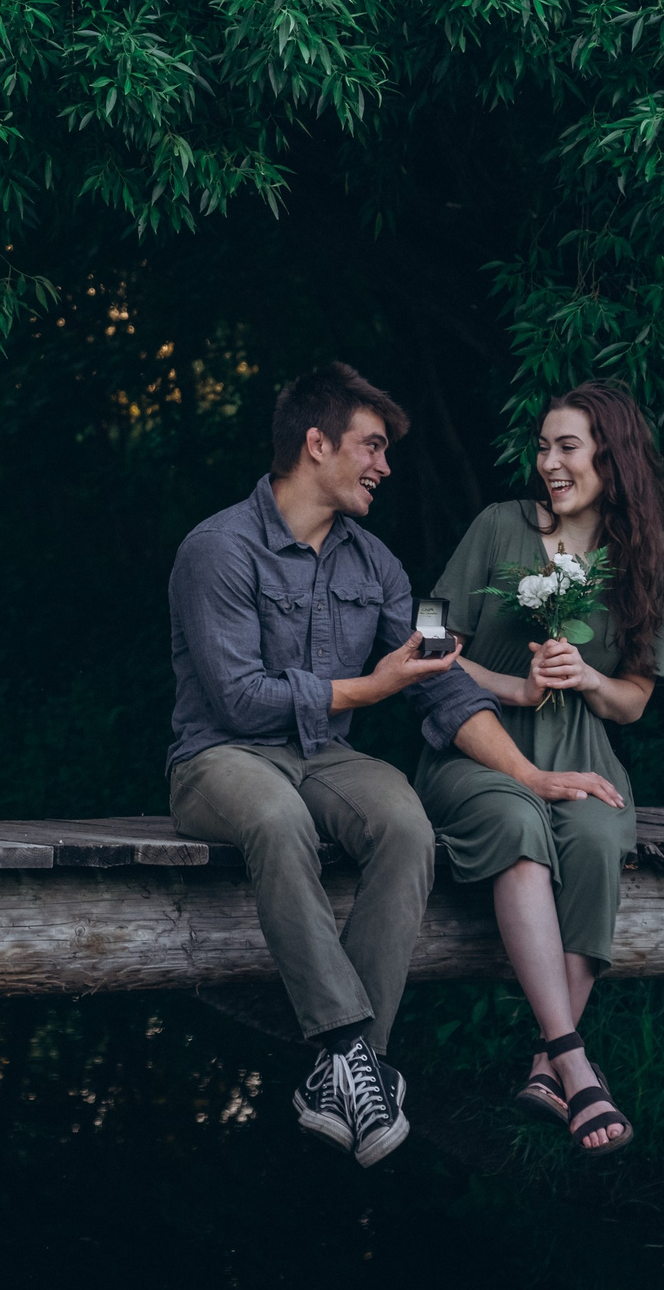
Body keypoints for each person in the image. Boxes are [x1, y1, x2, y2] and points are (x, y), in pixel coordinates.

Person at [166, 364, 499, 1168]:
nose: (385, 466)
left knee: (405, 823)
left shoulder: (377, 564)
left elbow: (433, 677)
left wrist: (528, 771)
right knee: (276, 819)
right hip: (219, 757)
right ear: (316, 445)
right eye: (371, 446)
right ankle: (355, 1048)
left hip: (327, 756)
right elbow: (241, 700)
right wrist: (368, 684)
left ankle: (339, 1073)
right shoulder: (217, 547)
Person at [413, 380, 664, 1158]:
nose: (548, 463)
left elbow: (633, 700)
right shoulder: (499, 527)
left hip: (583, 750)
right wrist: (516, 685)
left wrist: (587, 678)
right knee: (517, 818)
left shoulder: (659, 560)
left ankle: (545, 1060)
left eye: (566, 446)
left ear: (613, 453)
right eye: (542, 446)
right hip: (476, 742)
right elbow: (428, 643)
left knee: (600, 836)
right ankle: (576, 1059)